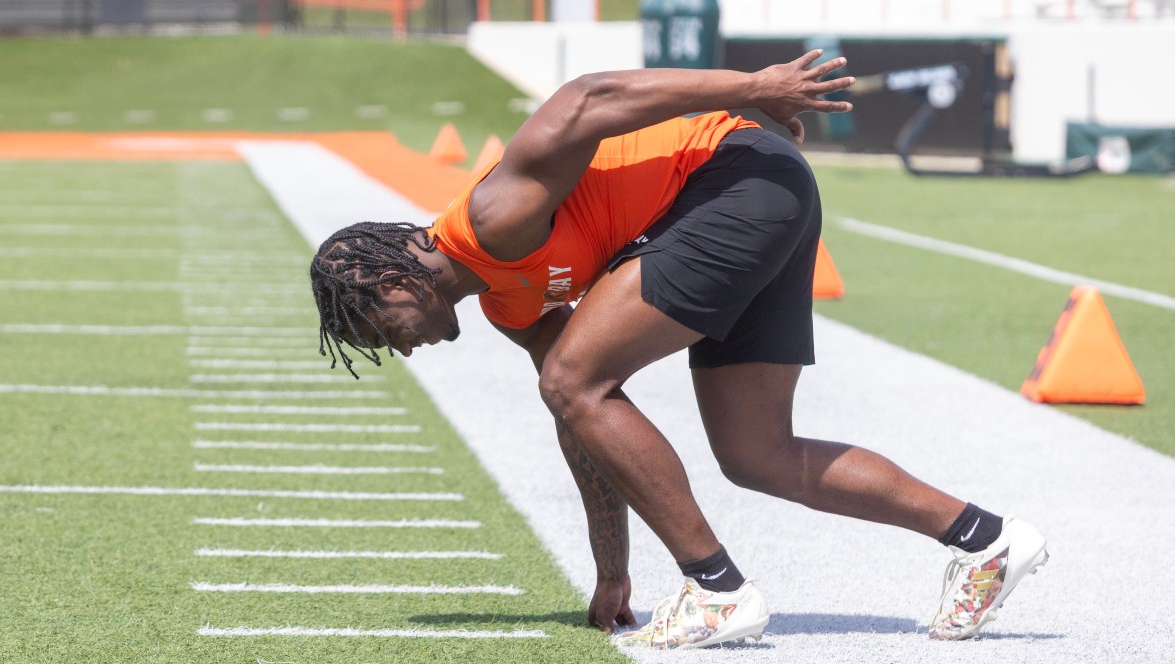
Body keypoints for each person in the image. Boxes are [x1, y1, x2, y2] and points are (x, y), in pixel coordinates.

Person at [308, 50, 1048, 649]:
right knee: (754, 453)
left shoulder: (491, 219)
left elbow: (589, 97)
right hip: (758, 194)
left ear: (390, 278)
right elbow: (580, 422)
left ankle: (717, 589)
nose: (393, 348)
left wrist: (753, 85)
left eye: (375, 328)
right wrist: (611, 570)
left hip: (734, 179)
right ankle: (985, 539)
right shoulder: (510, 305)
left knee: (572, 377)